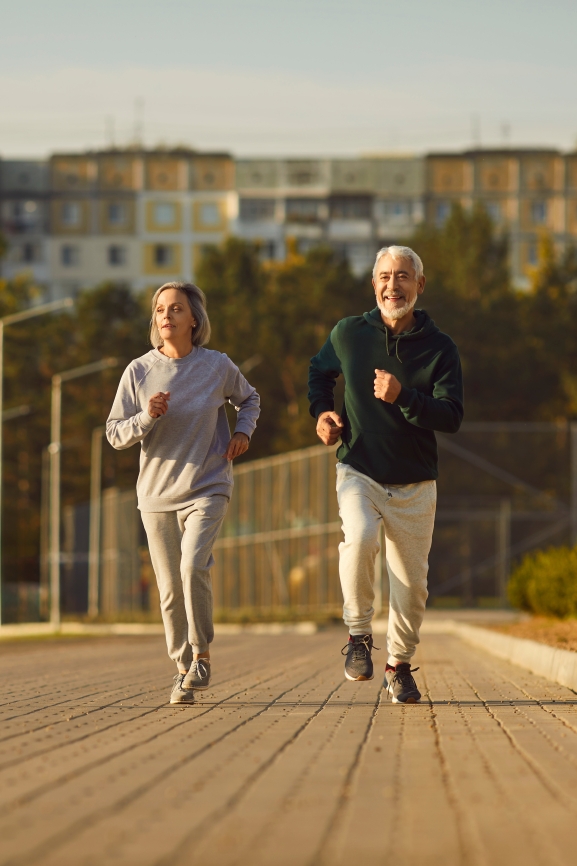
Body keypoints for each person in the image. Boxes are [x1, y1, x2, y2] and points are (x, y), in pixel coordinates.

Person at [308, 246, 463, 703]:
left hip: (415, 480)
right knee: (358, 538)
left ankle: (399, 665)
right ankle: (358, 636)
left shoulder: (440, 348)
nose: (392, 286)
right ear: (373, 284)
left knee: (412, 586)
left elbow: (451, 415)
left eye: (402, 276)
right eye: (384, 277)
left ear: (419, 285)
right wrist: (322, 414)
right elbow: (319, 373)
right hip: (359, 467)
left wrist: (403, 397)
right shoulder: (348, 333)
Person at [107, 282, 260, 704]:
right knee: (170, 587)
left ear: (194, 318)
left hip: (208, 485)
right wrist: (146, 417)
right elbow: (114, 434)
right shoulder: (138, 371)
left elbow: (249, 399)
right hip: (156, 495)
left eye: (175, 309)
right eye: (160, 310)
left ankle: (202, 655)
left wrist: (244, 431)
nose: (166, 316)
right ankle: (181, 669)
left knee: (194, 566)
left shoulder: (217, 366)